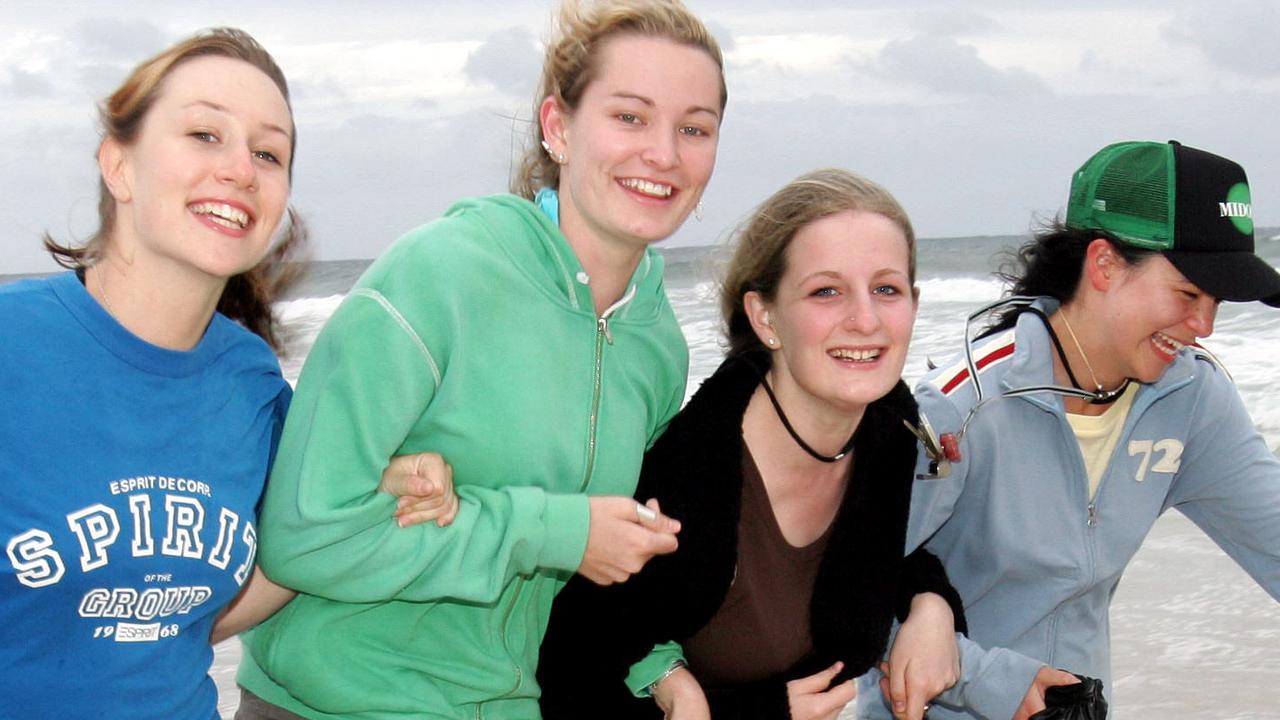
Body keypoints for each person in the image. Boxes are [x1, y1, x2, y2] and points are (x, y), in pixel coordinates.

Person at [233, 1, 727, 718]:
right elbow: (303, 536)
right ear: (559, 128)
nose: (664, 153)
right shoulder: (439, 276)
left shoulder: (657, 346)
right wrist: (552, 529)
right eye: (630, 117)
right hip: (327, 701)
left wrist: (657, 663)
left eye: (694, 129)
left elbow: (604, 549)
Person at [858, 140, 1280, 720]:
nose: (1203, 325)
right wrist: (995, 681)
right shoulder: (962, 407)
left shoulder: (1193, 399)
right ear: (1104, 264)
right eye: (1187, 293)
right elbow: (839, 599)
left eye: (1216, 301)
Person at [538, 168, 968, 720]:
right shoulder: (688, 478)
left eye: (886, 289)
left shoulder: (888, 421)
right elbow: (566, 679)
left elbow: (885, 551)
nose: (866, 319)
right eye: (826, 291)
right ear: (765, 318)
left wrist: (932, 606)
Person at [0, 28, 301, 719]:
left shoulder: (251, 382)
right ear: (119, 165)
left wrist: (405, 483)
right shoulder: (12, 348)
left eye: (268, 152)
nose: (240, 169)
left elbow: (282, 557)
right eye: (204, 134)